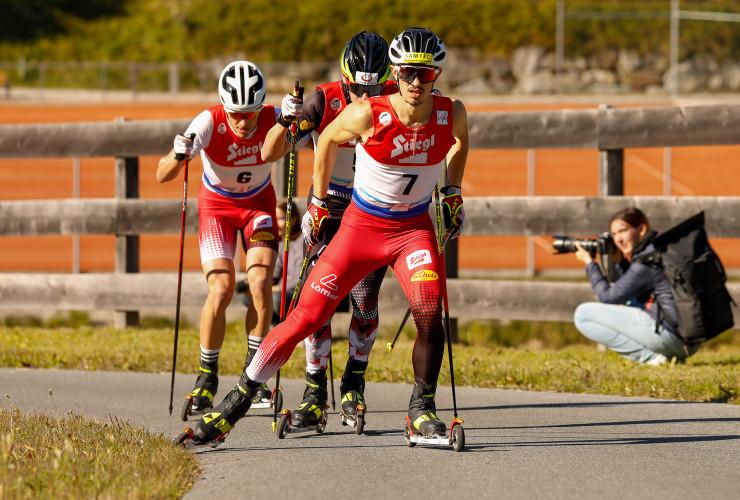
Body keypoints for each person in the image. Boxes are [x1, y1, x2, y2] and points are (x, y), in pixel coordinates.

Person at [187, 27, 469, 445]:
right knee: (308, 314)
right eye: (407, 75)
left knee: (416, 310)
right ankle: (264, 398)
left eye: (423, 76)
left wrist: (452, 193)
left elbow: (459, 140)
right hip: (354, 220)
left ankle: (408, 404)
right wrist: (314, 191)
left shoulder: (436, 106)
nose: (412, 83)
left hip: (410, 229)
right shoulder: (344, 105)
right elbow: (277, 151)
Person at [260, 31, 398, 429]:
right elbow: (271, 152)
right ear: (344, 77)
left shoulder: (397, 95)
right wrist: (287, 119)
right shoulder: (324, 99)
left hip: (374, 211)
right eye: (356, 88)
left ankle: (354, 383)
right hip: (331, 207)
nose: (363, 99)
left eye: (372, 89)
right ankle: (314, 390)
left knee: (365, 298)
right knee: (314, 301)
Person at [156, 60, 302, 413]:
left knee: (260, 283)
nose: (243, 121)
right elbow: (163, 175)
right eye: (235, 113)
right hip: (217, 210)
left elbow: (302, 135)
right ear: (224, 106)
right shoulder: (208, 122)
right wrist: (179, 154)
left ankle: (254, 374)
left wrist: (292, 119)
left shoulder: (272, 117)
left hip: (259, 206)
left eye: (250, 113)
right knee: (220, 289)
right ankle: (207, 376)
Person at [572, 207, 700, 365]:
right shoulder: (659, 250)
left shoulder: (647, 262)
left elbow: (607, 297)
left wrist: (590, 263)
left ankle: (652, 359)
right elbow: (635, 286)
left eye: (623, 231)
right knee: (629, 301)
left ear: (641, 229)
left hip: (671, 338)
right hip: (691, 341)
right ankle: (673, 357)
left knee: (582, 314)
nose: (618, 240)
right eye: (614, 234)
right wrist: (620, 261)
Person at [236, 199, 305, 327]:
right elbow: (274, 274)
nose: (275, 224)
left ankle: (296, 330)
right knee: (247, 296)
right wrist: (251, 283)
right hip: (287, 290)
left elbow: (301, 280)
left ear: (293, 219)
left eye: (280, 219)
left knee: (278, 298)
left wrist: (273, 289)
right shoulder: (280, 243)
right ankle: (277, 327)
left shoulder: (303, 242)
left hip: (304, 292)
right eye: (273, 219)